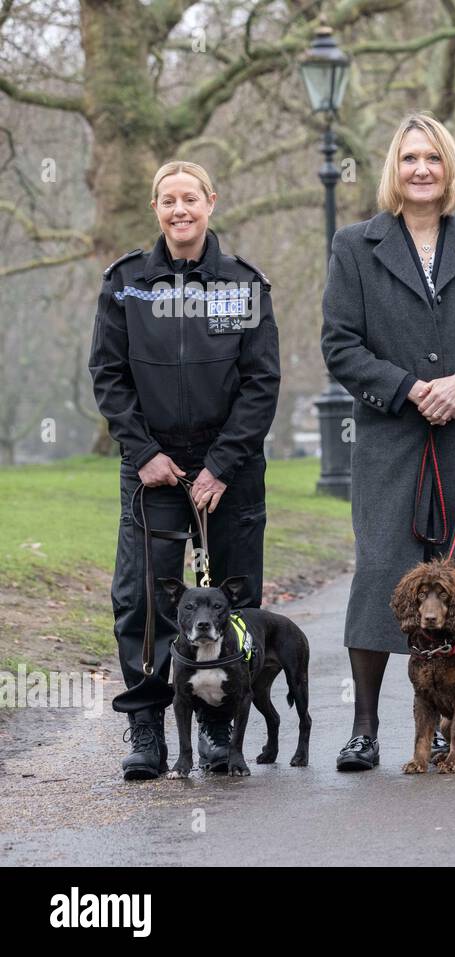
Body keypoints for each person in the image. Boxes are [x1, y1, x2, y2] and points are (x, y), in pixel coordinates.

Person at [321, 113, 455, 771]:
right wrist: (411, 387)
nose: (421, 170)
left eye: (432, 158)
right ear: (394, 168)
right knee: (384, 568)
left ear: (449, 167)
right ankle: (364, 728)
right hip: (391, 435)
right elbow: (340, 344)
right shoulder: (356, 245)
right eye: (409, 158)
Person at [89, 160, 280, 780]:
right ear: (156, 209)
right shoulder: (125, 284)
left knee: (231, 598)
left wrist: (222, 464)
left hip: (231, 466)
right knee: (142, 599)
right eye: (168, 200)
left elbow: (261, 383)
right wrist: (143, 453)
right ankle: (147, 727)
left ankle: (222, 727)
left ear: (211, 203)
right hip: (153, 467)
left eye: (190, 199)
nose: (180, 210)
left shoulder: (245, 285)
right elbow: (109, 375)